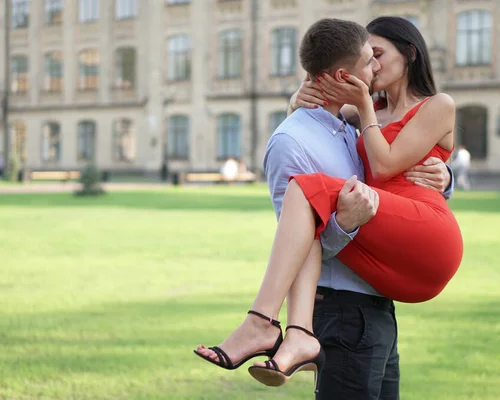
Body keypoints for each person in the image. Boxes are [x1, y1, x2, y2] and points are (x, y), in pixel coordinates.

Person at [195, 17, 457, 398]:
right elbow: (303, 233)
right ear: (339, 74)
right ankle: (281, 328)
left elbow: (388, 169)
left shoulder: (364, 121)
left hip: (407, 263)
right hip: (349, 307)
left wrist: (445, 177)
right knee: (307, 191)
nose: (375, 67)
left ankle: (267, 324)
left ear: (410, 54)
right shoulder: (336, 125)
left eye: (378, 55)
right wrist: (295, 105)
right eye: (369, 59)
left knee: (308, 190)